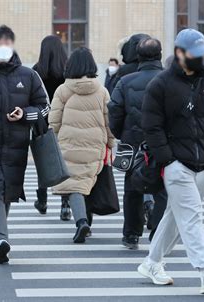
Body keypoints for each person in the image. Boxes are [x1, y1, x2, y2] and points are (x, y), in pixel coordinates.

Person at [138, 29, 204, 294]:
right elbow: (151, 127)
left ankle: (152, 262)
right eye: (195, 53)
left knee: (176, 217)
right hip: (177, 165)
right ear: (179, 53)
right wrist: (168, 160)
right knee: (191, 216)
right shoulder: (161, 85)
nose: (201, 58)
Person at [0, 25, 50, 264]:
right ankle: (1, 239)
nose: (2, 47)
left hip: (16, 146)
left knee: (7, 192)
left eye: (6, 42)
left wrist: (25, 114)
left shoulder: (28, 75)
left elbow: (44, 107)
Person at [49, 47, 115, 244]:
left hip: (69, 144)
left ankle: (81, 222)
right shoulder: (102, 91)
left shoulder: (62, 90)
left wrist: (52, 143)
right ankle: (88, 223)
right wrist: (110, 143)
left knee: (75, 184)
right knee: (89, 180)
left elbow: (54, 122)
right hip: (95, 144)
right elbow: (109, 121)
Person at [108, 37, 166, 249]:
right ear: (160, 55)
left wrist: (121, 133)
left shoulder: (125, 81)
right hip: (163, 143)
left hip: (132, 142)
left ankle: (131, 234)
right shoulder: (170, 79)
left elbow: (114, 111)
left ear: (138, 56)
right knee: (163, 189)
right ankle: (158, 233)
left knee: (132, 189)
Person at [32, 35, 70, 221]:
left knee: (44, 161)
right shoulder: (68, 71)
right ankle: (65, 204)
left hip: (42, 122)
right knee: (64, 163)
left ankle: (42, 200)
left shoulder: (36, 71)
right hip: (65, 121)